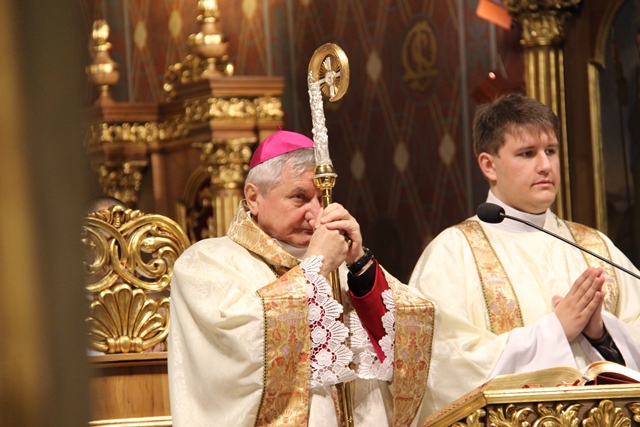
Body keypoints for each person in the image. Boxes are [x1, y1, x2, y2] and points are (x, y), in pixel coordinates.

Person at [168, 129, 434, 427]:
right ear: (253, 198)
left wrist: (360, 264)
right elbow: (240, 350)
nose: (316, 215)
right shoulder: (207, 262)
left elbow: (411, 335)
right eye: (300, 197)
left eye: (321, 199)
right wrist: (315, 267)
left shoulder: (337, 259)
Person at [409, 92, 640, 421]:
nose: (545, 166)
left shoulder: (595, 247)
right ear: (489, 165)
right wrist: (555, 331)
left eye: (551, 151)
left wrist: (602, 335)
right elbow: (445, 368)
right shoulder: (452, 254)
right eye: (527, 153)